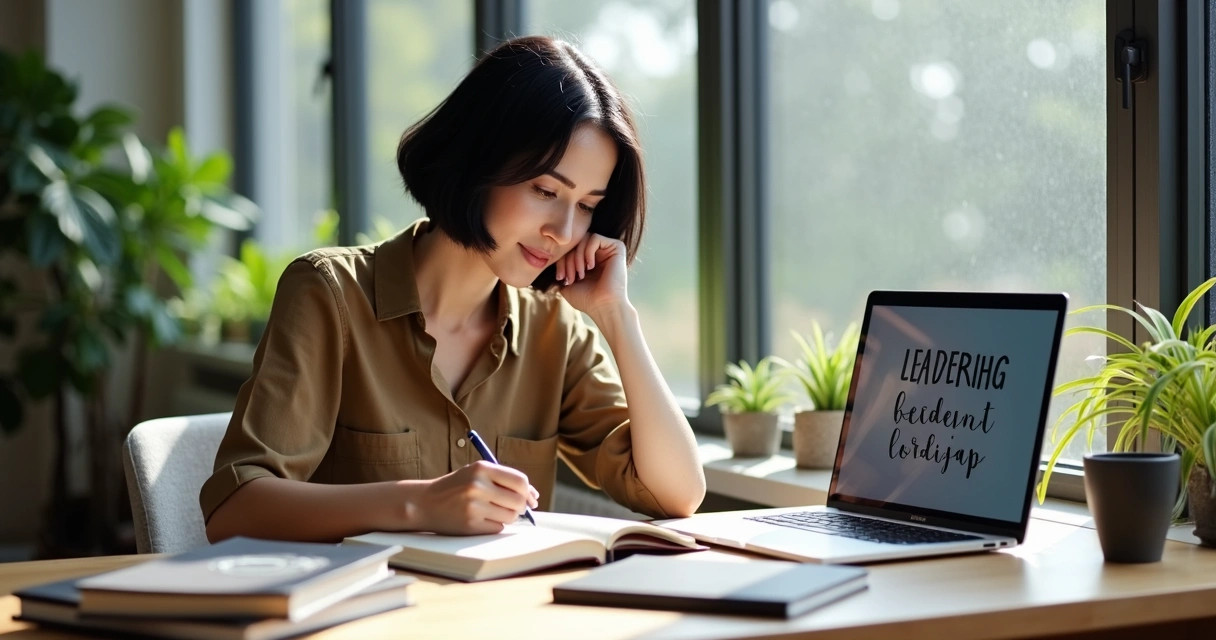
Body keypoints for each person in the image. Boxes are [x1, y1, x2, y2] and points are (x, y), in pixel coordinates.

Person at [202, 36, 706, 543]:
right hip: (360, 618)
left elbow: (677, 493)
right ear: (478, 162)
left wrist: (617, 317)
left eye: (588, 205)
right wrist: (418, 503)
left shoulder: (556, 330)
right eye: (545, 191)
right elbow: (234, 510)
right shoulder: (331, 296)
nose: (564, 231)